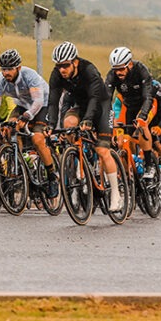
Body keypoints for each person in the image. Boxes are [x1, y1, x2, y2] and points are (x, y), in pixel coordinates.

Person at [46, 41, 122, 211]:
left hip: (101, 106)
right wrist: (50, 124)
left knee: (102, 150)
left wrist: (88, 119)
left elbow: (95, 99)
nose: (62, 70)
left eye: (65, 65)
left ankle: (116, 194)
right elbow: (53, 101)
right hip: (81, 106)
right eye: (59, 66)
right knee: (68, 123)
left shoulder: (89, 70)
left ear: (75, 62)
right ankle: (79, 160)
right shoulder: (57, 74)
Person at [0, 48, 56, 199]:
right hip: (22, 105)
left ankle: (52, 177)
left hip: (43, 104)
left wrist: (27, 117)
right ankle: (20, 163)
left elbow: (38, 101)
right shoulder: (0, 81)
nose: (6, 72)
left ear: (18, 68)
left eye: (10, 69)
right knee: (9, 129)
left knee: (37, 139)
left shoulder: (29, 76)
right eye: (3, 69)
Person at [104, 46, 156, 157]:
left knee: (142, 125)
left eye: (121, 68)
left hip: (146, 104)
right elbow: (106, 99)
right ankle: (132, 165)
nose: (118, 72)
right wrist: (110, 121)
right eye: (115, 69)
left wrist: (142, 115)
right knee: (126, 140)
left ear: (130, 64)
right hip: (129, 106)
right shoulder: (112, 75)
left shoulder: (140, 70)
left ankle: (148, 164)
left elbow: (148, 97)